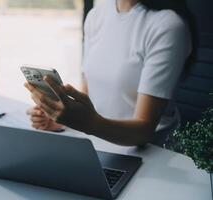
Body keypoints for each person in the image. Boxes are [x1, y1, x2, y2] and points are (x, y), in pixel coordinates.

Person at [25, 0, 192, 147]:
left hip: (149, 153)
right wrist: (60, 118)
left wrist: (89, 124)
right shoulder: (96, 16)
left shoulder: (167, 25)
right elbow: (86, 96)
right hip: (96, 141)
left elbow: (144, 131)